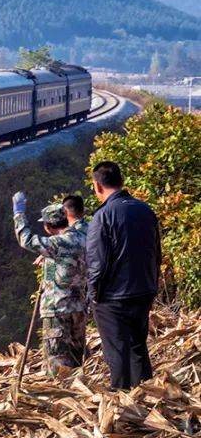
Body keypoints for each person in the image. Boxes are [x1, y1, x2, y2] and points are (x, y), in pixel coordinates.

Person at [85, 161, 162, 389]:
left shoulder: (103, 216)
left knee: (117, 350)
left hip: (113, 296)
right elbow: (157, 252)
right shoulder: (145, 209)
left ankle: (122, 399)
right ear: (122, 182)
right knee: (138, 345)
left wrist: (93, 294)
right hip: (144, 289)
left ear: (97, 186)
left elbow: (96, 261)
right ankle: (147, 394)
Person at [13, 194, 89, 376]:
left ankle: (62, 399)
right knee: (76, 363)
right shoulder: (84, 236)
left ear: (47, 227)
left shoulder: (57, 243)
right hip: (79, 308)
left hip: (57, 310)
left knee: (58, 368)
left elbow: (26, 239)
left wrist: (18, 213)